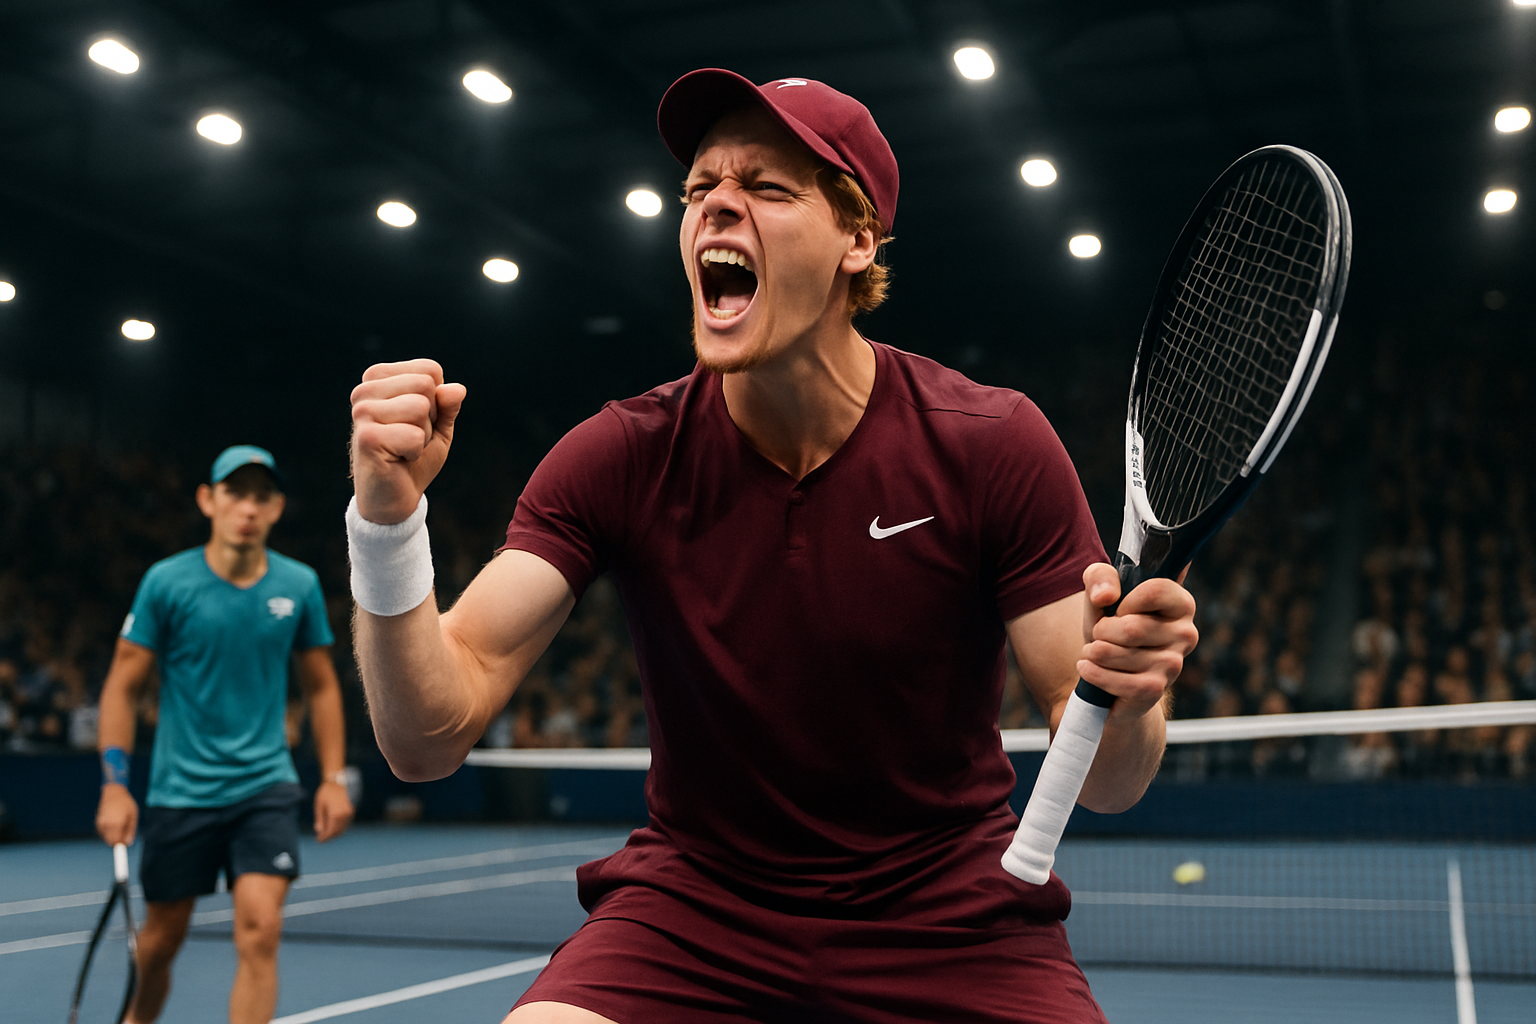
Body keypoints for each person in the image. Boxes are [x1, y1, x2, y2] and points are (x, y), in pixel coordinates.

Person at [347, 70, 1196, 1023]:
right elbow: (424, 739)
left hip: (948, 912)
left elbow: (1113, 782)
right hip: (696, 910)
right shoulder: (619, 455)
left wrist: (1126, 698)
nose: (716, 205)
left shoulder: (991, 443)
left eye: (767, 188)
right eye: (699, 188)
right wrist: (385, 523)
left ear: (857, 240)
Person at [95, 445, 354, 1024]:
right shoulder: (165, 583)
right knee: (159, 944)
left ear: (277, 507)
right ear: (208, 500)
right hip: (180, 792)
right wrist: (115, 785)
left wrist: (334, 778)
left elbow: (321, 688)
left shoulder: (300, 585)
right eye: (236, 493)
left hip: (265, 787)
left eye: (262, 496)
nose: (248, 507)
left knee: (261, 931)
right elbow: (121, 687)